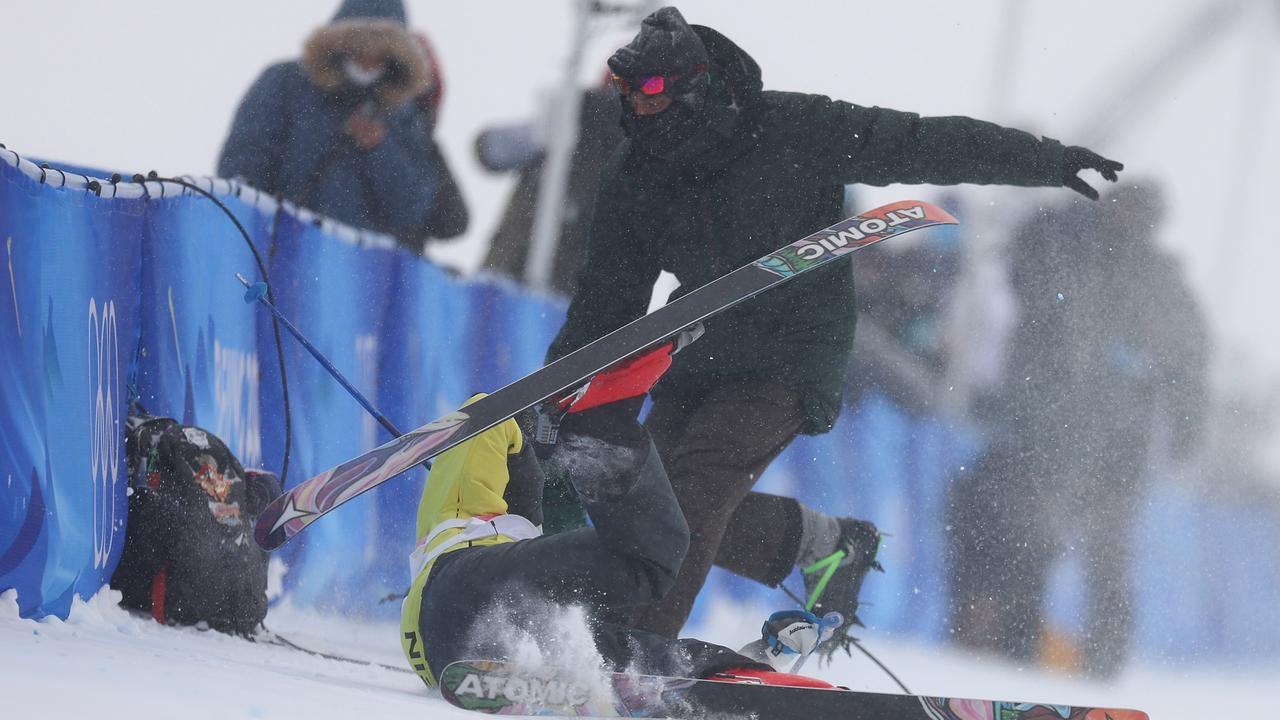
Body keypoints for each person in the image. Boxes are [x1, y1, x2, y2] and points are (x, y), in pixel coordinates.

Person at [543, 6, 1125, 651]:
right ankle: (821, 546)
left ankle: (631, 647)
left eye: (649, 90)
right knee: (641, 504)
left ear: (696, 86)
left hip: (792, 351)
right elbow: (608, 297)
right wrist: (563, 387)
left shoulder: (795, 128)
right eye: (625, 88)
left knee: (691, 492)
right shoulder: (636, 172)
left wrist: (1042, 161)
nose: (636, 105)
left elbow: (922, 141)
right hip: (699, 353)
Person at [397, 342, 829, 687]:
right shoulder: (461, 520)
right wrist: (536, 422)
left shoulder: (506, 551)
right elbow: (484, 414)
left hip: (460, 644)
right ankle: (600, 423)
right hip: (458, 596)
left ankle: (726, 673)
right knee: (650, 558)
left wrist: (734, 665)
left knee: (598, 648)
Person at [946, 181, 1208, 678]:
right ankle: (1019, 651)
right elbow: (1024, 275)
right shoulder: (1062, 241)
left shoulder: (1154, 278)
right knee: (1035, 541)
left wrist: (1184, 425)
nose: (1132, 218)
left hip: (1107, 444)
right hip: (1049, 433)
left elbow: (1187, 360)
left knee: (1097, 556)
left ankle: (1096, 662)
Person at [217, 0, 465, 251]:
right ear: (338, 42)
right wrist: (256, 230)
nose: (368, 57)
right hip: (278, 250)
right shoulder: (286, 84)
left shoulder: (404, 115)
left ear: (396, 54)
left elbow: (413, 210)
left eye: (380, 48)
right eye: (358, 43)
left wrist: (380, 150)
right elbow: (246, 162)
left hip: (357, 272)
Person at [478, 82, 624, 296]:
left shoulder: (642, 161)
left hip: (552, 294)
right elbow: (489, 151)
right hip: (511, 281)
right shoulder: (567, 122)